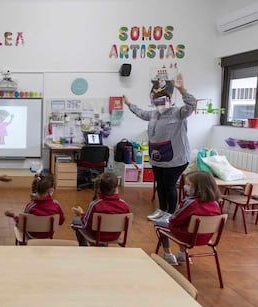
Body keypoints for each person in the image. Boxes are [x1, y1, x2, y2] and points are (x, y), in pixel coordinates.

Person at [123, 73, 197, 223]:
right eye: (156, 102)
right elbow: (140, 113)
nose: (159, 105)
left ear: (169, 100)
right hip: (158, 158)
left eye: (162, 102)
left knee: (169, 186)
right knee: (161, 186)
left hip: (175, 158)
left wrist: (182, 89)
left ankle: (171, 213)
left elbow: (191, 105)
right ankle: (162, 209)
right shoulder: (154, 115)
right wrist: (129, 104)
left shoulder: (178, 113)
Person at [154, 171, 221, 265]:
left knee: (158, 224)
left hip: (189, 238)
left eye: (188, 185)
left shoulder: (191, 203)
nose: (185, 187)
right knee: (186, 225)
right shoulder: (215, 203)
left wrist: (170, 218)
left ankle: (168, 255)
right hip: (206, 238)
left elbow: (175, 220)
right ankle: (182, 255)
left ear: (199, 188)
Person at [71, 172, 130, 246]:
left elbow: (86, 224)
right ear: (116, 188)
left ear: (99, 189)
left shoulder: (95, 204)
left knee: (75, 221)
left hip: (96, 236)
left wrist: (81, 214)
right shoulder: (124, 205)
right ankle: (102, 246)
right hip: (115, 236)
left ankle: (83, 247)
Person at [5, 173, 65, 239]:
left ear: (36, 189)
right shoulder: (56, 205)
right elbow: (61, 221)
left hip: (31, 237)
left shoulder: (30, 206)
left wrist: (14, 216)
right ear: (51, 190)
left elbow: (22, 224)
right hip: (47, 237)